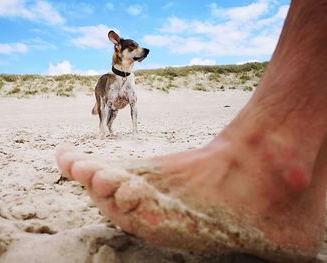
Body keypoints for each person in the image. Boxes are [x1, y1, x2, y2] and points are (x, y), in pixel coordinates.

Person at [57, 0, 327, 261]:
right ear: (119, 49)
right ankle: (301, 187)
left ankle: (287, 168)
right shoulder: (107, 77)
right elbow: (106, 103)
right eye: (134, 48)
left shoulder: (133, 79)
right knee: (107, 111)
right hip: (108, 90)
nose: (141, 51)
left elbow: (134, 105)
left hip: (126, 86)